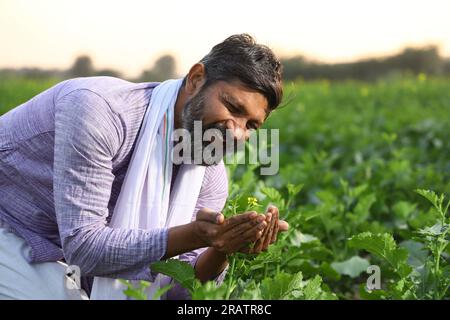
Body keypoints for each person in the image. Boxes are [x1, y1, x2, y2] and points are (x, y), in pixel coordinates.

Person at [0, 34, 288, 300]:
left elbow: (174, 291)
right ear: (196, 79)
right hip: (12, 224)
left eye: (251, 125)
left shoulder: (208, 176)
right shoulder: (99, 112)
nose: (236, 133)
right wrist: (195, 234)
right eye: (233, 108)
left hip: (62, 256)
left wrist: (222, 249)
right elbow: (85, 249)